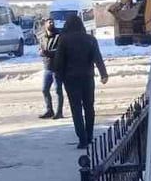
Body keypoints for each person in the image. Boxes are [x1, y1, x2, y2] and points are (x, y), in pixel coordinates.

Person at [53, 15, 109, 149]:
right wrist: (103, 74)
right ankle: (89, 135)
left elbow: (59, 62)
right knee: (89, 107)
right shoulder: (90, 39)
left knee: (76, 108)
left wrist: (59, 79)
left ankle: (82, 138)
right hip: (88, 77)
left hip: (70, 78)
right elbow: (98, 57)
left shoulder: (64, 40)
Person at [38, 17, 64, 120]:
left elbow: (60, 51)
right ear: (45, 24)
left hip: (57, 67)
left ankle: (59, 112)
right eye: (49, 22)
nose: (51, 23)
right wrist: (41, 52)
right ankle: (49, 110)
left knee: (58, 90)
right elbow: (41, 48)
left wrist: (46, 53)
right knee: (44, 90)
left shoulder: (59, 36)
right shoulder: (43, 37)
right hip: (47, 67)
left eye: (52, 21)